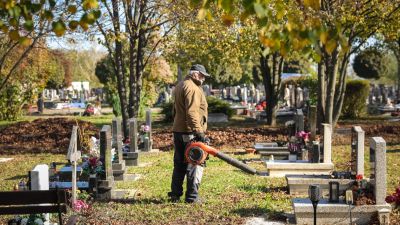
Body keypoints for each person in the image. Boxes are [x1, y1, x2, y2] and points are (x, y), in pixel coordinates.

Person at [168, 64, 210, 203]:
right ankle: (192, 197)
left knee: (179, 163)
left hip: (179, 130)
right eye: (202, 76)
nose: (204, 79)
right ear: (196, 74)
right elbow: (192, 112)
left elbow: (175, 110)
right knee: (195, 162)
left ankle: (175, 194)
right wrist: (198, 131)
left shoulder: (181, 85)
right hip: (189, 132)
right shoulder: (192, 88)